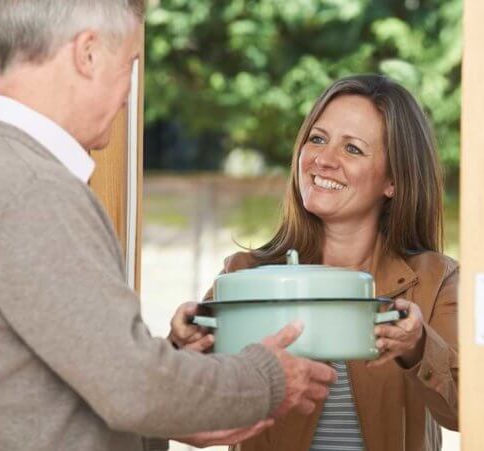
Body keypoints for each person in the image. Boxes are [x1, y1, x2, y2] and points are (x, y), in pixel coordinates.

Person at [0, 1, 337, 450]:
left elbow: (78, 380)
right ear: (87, 53)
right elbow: (134, 389)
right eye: (130, 64)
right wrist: (267, 378)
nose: (129, 92)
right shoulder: (31, 189)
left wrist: (177, 363)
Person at [170, 74, 459, 451]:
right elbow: (178, 416)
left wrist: (418, 346)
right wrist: (180, 349)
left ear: (393, 180)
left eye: (352, 149)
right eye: (317, 139)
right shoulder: (243, 276)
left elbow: (468, 411)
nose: (323, 160)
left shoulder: (434, 280)